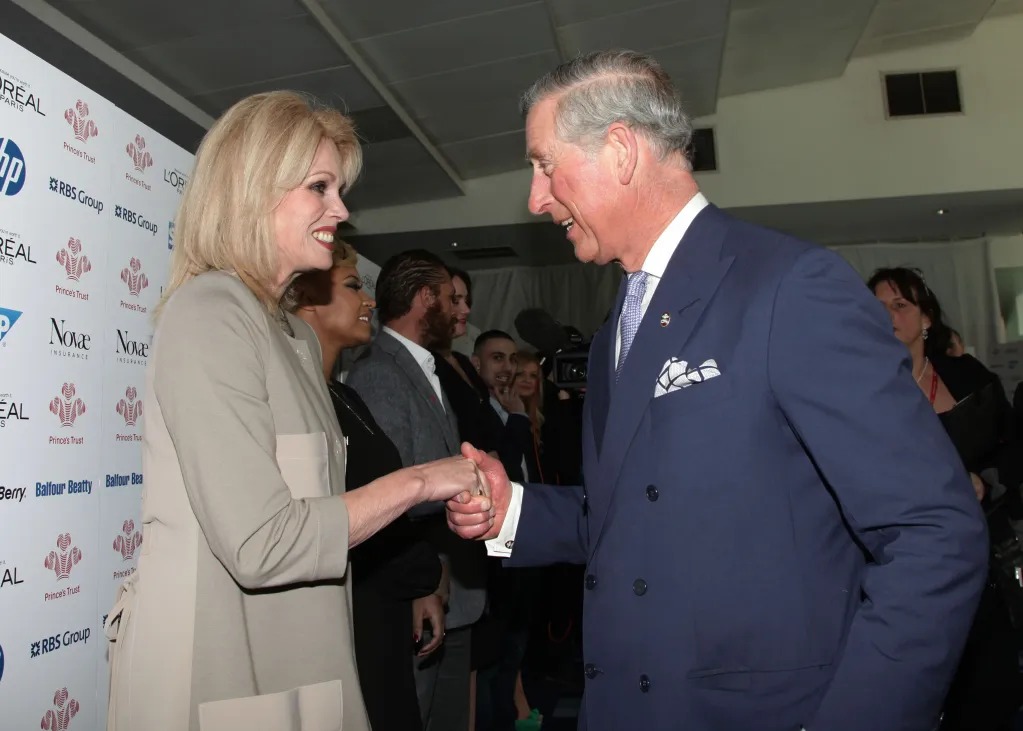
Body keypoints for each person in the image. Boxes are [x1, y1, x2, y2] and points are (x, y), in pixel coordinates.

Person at [446, 51, 988, 731]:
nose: (535, 197)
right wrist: (512, 512)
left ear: (620, 150)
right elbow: (637, 513)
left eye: (544, 165)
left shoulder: (789, 287)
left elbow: (934, 533)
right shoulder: (620, 323)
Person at [102, 91, 483, 731]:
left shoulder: (294, 337)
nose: (342, 210)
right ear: (255, 189)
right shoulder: (209, 313)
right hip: (222, 671)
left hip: (304, 666)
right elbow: (261, 543)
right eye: (319, 187)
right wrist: (420, 480)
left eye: (339, 189)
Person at [286, 241, 449, 731]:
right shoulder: (292, 402)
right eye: (354, 286)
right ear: (308, 298)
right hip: (345, 619)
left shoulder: (346, 395)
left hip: (383, 612)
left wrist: (419, 584)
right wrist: (421, 571)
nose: (370, 300)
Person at [870, 267, 1023, 730]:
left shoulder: (966, 376)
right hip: (903, 565)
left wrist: (985, 482)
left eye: (900, 306)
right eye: (877, 308)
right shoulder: (860, 388)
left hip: (982, 556)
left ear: (927, 318)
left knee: (989, 688)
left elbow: (1013, 454)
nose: (888, 316)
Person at [346, 249, 486, 731]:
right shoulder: (379, 371)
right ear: (426, 298)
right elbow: (388, 493)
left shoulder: (424, 366)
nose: (458, 309)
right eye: (449, 297)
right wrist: (423, 582)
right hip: (419, 593)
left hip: (448, 589)